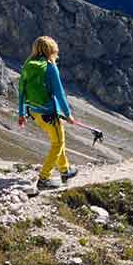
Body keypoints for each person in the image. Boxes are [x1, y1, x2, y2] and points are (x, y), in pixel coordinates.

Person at [16, 35, 79, 189]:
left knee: (57, 140)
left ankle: (65, 170)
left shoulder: (28, 65)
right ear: (52, 51)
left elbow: (21, 91)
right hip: (49, 114)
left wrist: (21, 113)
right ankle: (44, 179)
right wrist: (68, 114)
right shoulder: (50, 67)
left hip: (35, 113)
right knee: (58, 143)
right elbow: (60, 93)